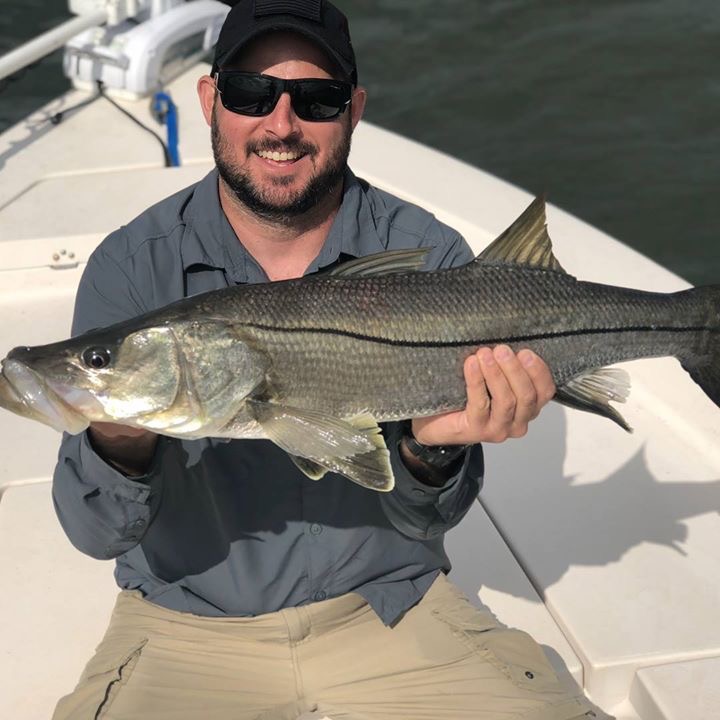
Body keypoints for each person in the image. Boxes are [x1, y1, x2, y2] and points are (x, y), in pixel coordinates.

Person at [51, 1, 606, 719]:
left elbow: (424, 523)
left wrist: (429, 455)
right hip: (186, 626)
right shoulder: (130, 267)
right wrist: (118, 442)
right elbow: (95, 534)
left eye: (317, 99)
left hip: (392, 611)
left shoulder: (430, 255)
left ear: (355, 110)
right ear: (210, 100)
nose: (281, 125)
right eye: (252, 93)